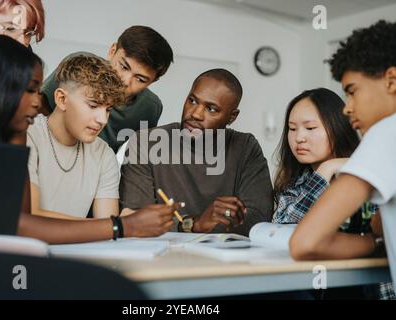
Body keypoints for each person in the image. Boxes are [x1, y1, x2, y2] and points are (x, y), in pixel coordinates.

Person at [0, 34, 182, 244]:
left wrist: (122, 225)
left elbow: (22, 220)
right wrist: (122, 225)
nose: (38, 102)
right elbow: (23, 224)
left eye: (109, 109)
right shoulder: (16, 139)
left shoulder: (18, 137)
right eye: (30, 90)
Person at [289, 20, 396, 300]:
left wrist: (371, 243)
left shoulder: (386, 132)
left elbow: (305, 242)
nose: (347, 108)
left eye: (352, 91)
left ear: (391, 80)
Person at [120, 69, 273, 236]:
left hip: (224, 259)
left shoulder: (245, 148)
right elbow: (135, 220)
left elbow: (258, 219)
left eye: (212, 109)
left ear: (232, 117)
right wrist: (194, 224)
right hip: (161, 257)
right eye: (192, 101)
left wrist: (203, 224)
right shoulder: (147, 142)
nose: (195, 114)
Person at [273, 88, 393, 299]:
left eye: (310, 128)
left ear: (337, 127)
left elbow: (378, 234)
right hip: (317, 283)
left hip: (370, 287)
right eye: (292, 129)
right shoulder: (296, 182)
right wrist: (325, 171)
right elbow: (285, 228)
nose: (299, 137)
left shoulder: (368, 175)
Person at [41, 25, 174, 152]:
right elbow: (39, 109)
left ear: (153, 81)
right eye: (124, 67)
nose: (125, 81)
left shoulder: (150, 108)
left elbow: (138, 155)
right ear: (112, 51)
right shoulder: (78, 68)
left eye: (140, 79)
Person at [27, 54, 124, 220]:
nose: (102, 120)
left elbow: (108, 230)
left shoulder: (103, 154)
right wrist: (117, 227)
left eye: (108, 109)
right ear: (62, 99)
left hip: (77, 246)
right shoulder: (28, 135)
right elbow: (30, 215)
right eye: (93, 105)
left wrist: (113, 227)